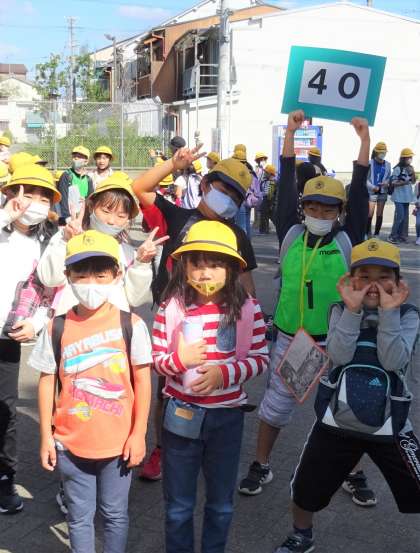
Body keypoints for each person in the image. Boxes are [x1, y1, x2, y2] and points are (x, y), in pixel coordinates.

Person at [239, 110, 373, 506]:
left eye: (328, 209)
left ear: (340, 212)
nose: (319, 214)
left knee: (345, 409)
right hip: (294, 341)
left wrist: (364, 141)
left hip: (336, 342)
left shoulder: (348, 239)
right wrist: (291, 134)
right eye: (313, 207)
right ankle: (262, 464)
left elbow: (360, 191)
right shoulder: (292, 232)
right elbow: (284, 180)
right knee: (276, 407)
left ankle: (353, 472)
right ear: (303, 207)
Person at [274, 238, 420, 553]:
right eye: (364, 276)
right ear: (351, 279)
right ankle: (301, 534)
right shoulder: (339, 309)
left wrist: (390, 313)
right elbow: (338, 356)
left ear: (397, 282)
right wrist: (352, 311)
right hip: (336, 419)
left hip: (391, 423)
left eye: (384, 277)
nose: (373, 285)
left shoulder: (408, 315)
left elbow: (394, 361)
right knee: (305, 486)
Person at [132, 150, 258, 481]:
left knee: (212, 383)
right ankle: (163, 447)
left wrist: (253, 322)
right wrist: (173, 165)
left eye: (236, 196)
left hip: (221, 322)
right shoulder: (177, 216)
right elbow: (140, 188)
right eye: (224, 189)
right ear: (205, 185)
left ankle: (210, 445)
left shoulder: (237, 235)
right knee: (168, 388)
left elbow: (247, 286)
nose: (228, 199)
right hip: (176, 320)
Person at [31, 230, 152, 553]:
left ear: (117, 275)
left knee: (114, 514)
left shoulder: (132, 325)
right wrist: (46, 436)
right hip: (70, 444)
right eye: (81, 274)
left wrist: (139, 434)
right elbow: (46, 380)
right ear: (67, 276)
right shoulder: (56, 327)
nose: (91, 283)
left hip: (118, 445)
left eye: (100, 275)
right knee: (78, 517)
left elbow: (143, 381)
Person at [152, 219, 269, 553]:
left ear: (232, 268)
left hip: (227, 417)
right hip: (181, 413)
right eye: (197, 265)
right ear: (184, 267)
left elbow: (260, 358)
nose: (205, 274)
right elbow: (157, 360)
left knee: (220, 504)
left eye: (215, 265)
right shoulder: (171, 307)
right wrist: (180, 360)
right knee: (178, 505)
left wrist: (224, 374)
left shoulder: (248, 308)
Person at [0, 163, 60, 513]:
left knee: (5, 411)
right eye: (27, 193)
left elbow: (52, 293)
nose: (34, 202)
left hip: (7, 338)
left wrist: (36, 323)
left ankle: (4, 478)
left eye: (43, 197)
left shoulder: (48, 241)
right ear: (9, 192)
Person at [57, 146, 93, 226]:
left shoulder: (88, 179)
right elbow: (63, 198)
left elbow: (91, 199)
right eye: (74, 156)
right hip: (69, 218)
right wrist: (67, 218)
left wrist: (85, 201)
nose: (76, 158)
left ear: (86, 161)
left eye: (79, 156)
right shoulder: (66, 175)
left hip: (84, 219)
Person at [388, 148, 416, 244]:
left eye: (411, 157)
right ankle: (392, 236)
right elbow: (393, 183)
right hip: (398, 197)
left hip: (407, 197)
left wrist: (412, 174)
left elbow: (413, 181)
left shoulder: (411, 168)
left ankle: (401, 236)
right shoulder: (397, 169)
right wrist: (403, 183)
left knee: (404, 218)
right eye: (409, 157)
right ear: (403, 158)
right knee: (399, 216)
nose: (410, 159)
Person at [366, 142, 392, 237]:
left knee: (379, 214)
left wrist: (386, 183)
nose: (383, 154)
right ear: (376, 152)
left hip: (383, 192)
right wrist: (373, 187)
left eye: (384, 152)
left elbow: (389, 177)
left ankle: (376, 234)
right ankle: (367, 233)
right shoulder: (370, 163)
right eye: (381, 152)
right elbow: (365, 179)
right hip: (372, 192)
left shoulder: (388, 164)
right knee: (369, 214)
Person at [259, 164, 276, 234]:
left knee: (272, 216)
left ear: (270, 173)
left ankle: (265, 230)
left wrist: (272, 203)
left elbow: (271, 194)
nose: (265, 173)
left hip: (271, 201)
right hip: (265, 200)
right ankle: (264, 230)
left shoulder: (273, 182)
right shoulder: (264, 181)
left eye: (266, 172)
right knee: (264, 215)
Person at [414, 179, 420, 246]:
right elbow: (415, 196)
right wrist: (416, 202)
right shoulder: (418, 185)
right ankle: (418, 237)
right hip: (419, 208)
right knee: (418, 223)